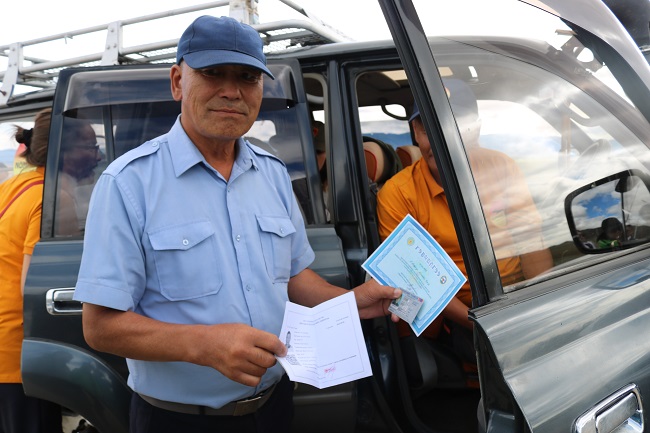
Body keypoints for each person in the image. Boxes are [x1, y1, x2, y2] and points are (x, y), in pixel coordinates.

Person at [73, 16, 401, 433]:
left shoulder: (272, 173)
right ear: (177, 81)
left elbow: (293, 276)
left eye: (247, 77)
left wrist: (349, 302)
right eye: (213, 72)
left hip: (273, 407)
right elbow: (99, 326)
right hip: (179, 420)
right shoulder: (127, 183)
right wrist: (203, 344)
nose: (232, 91)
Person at [377, 78, 552, 362]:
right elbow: (418, 286)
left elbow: (530, 242)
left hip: (513, 301)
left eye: (456, 126)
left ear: (477, 130)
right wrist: (487, 326)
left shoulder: (502, 167)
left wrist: (542, 311)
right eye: (428, 128)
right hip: (451, 315)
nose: (441, 140)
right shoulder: (397, 194)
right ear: (416, 132)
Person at [0, 108, 63, 433]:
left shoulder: (13, 186)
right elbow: (35, 286)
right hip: (20, 355)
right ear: (62, 148)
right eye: (88, 144)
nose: (96, 153)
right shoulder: (48, 199)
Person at [55, 118, 102, 236]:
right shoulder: (61, 197)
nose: (99, 157)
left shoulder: (72, 191)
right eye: (90, 147)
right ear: (65, 151)